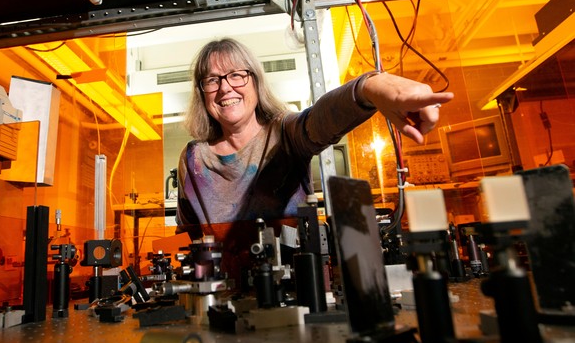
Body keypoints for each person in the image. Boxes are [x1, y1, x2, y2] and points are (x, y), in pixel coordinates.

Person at [175, 37, 454, 234]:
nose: (225, 88)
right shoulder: (193, 159)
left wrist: (372, 87)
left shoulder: (284, 133)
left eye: (237, 75)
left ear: (256, 82)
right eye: (212, 80)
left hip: (296, 294)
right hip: (220, 301)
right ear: (202, 92)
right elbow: (186, 235)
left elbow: (321, 118)